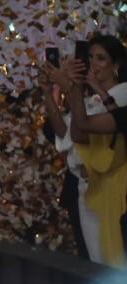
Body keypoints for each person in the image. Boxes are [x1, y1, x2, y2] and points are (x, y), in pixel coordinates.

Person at [45, 37, 127, 267]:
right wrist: (50, 90)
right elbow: (65, 133)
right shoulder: (92, 99)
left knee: (116, 258)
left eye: (101, 58)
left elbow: (82, 133)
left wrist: (72, 87)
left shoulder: (123, 93)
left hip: (112, 185)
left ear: (116, 64)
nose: (93, 63)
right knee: (97, 262)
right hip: (87, 187)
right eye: (90, 57)